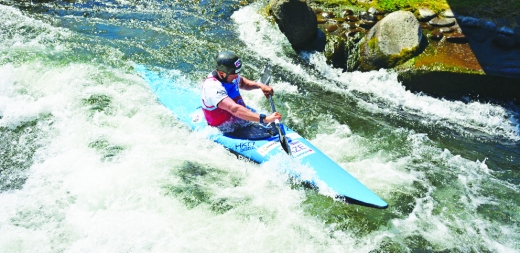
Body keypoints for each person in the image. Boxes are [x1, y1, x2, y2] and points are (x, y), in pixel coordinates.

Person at [201, 51, 282, 137]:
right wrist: (265, 119)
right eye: (234, 74)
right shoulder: (212, 87)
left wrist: (260, 85)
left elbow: (243, 83)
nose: (237, 76)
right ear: (221, 73)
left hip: (240, 120)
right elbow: (234, 109)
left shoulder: (227, 75)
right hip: (226, 129)